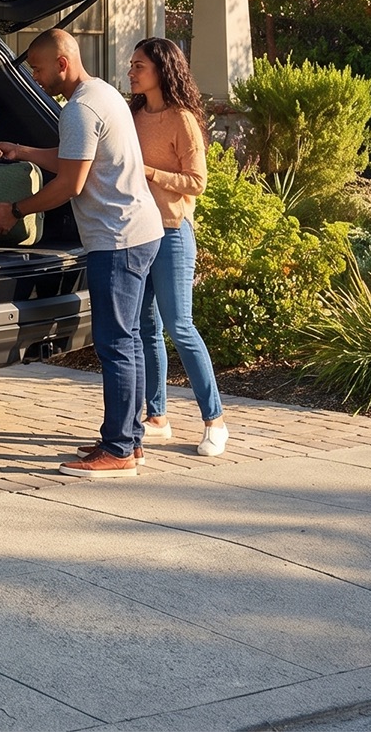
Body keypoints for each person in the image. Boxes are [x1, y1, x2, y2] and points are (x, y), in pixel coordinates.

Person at [0, 29, 165, 479]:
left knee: (116, 344)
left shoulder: (80, 109)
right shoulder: (100, 93)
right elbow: (74, 158)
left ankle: (119, 450)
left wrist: (16, 210)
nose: (36, 78)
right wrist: (22, 151)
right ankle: (128, 439)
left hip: (117, 241)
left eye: (39, 69)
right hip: (142, 233)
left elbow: (70, 183)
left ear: (62, 63)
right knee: (131, 342)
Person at [128, 37, 229, 456]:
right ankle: (157, 417)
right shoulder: (132, 114)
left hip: (172, 231)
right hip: (138, 231)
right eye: (131, 65)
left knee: (180, 327)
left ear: (161, 70)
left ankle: (215, 420)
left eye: (140, 66)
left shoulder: (183, 119)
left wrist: (150, 172)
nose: (132, 72)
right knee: (146, 327)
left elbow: (197, 182)